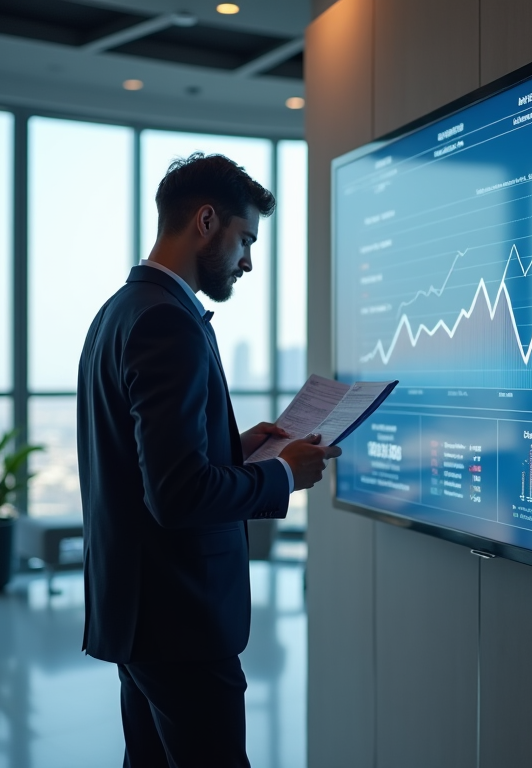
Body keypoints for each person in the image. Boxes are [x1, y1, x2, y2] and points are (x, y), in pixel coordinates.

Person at [76, 153, 340, 767]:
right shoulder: (169, 322)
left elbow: (139, 461)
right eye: (245, 238)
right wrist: (281, 473)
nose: (248, 260)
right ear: (205, 221)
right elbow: (177, 494)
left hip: (140, 617)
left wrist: (235, 446)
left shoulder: (119, 311)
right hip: (180, 622)